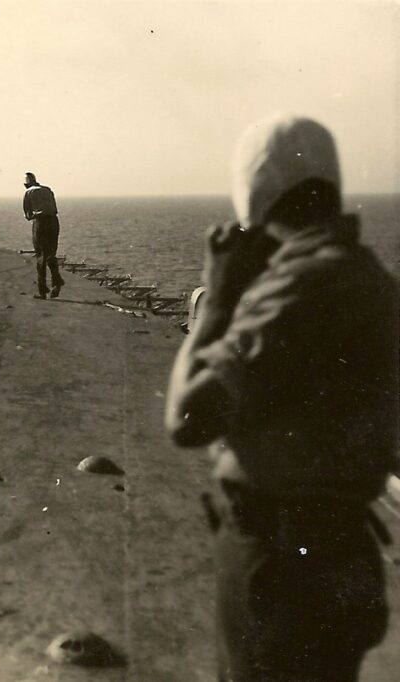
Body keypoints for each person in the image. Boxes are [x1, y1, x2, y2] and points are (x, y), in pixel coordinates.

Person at [164, 114, 398, 681]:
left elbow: (186, 419)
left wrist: (217, 301)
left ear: (254, 193)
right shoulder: (372, 281)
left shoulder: (297, 288)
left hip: (280, 568)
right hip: (342, 553)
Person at [23, 172, 65, 299]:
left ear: (26, 184)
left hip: (41, 223)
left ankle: (42, 290)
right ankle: (56, 282)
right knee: (51, 254)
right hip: (53, 221)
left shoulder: (28, 192)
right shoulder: (47, 190)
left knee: (41, 255)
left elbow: (28, 215)